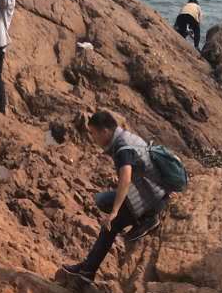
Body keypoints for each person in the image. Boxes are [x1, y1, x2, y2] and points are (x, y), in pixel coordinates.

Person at [59, 112, 170, 283]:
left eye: (93, 133)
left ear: (104, 131)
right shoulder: (126, 137)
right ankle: (88, 269)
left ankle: (88, 270)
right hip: (154, 192)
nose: (92, 138)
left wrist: (115, 211)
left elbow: (125, 178)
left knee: (110, 224)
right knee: (102, 201)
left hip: (151, 199)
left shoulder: (122, 147)